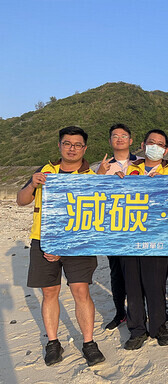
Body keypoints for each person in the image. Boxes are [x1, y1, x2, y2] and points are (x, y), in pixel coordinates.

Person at [16, 126, 105, 367]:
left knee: (81, 291)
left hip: (79, 243)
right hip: (43, 240)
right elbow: (21, 200)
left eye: (77, 145)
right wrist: (33, 185)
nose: (72, 148)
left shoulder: (92, 177)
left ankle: (89, 342)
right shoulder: (45, 171)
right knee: (49, 293)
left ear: (84, 148)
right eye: (67, 143)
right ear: (59, 145)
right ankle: (53, 342)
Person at [116, 129, 168, 350]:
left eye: (160, 143)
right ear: (142, 145)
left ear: (166, 149)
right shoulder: (129, 168)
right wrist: (117, 182)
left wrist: (167, 185)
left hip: (158, 237)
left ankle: (159, 327)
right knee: (132, 285)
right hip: (130, 236)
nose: (155, 146)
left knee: (156, 284)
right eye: (151, 142)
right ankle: (137, 329)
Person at [95, 123, 142, 331]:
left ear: (131, 141)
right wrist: (99, 175)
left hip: (140, 226)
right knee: (116, 272)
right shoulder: (102, 167)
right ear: (110, 141)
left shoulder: (141, 164)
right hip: (113, 229)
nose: (120, 139)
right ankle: (120, 313)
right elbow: (91, 195)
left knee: (139, 272)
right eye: (115, 136)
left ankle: (140, 312)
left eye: (124, 135)